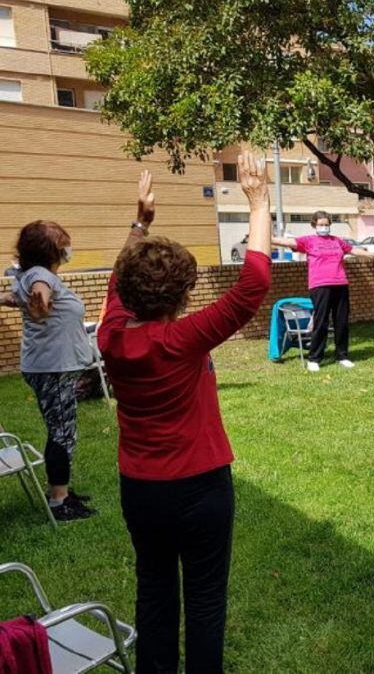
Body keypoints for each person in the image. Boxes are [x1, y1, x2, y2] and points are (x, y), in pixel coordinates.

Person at [98, 154, 272, 673]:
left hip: (141, 489)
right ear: (183, 295)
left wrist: (139, 225)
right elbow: (253, 285)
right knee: (204, 601)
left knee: (153, 592)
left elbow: (115, 283)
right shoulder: (183, 338)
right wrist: (259, 200)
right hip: (200, 490)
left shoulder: (111, 335)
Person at [0, 221, 95, 521]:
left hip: (49, 367)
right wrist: (40, 307)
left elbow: (18, 297)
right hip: (51, 369)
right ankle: (58, 501)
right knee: (62, 433)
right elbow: (39, 296)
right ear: (49, 250)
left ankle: (61, 489)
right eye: (63, 242)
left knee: (63, 431)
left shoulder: (30, 274)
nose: (68, 248)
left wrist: (22, 303)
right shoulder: (40, 275)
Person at [272, 211, 374, 372]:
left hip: (340, 284)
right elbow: (288, 242)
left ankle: (342, 355)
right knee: (321, 322)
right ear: (314, 225)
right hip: (320, 286)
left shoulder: (337, 241)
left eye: (326, 224)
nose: (324, 227)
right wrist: (267, 238)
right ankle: (314, 358)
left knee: (341, 322)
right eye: (321, 224)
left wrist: (371, 255)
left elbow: (353, 250)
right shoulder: (308, 241)